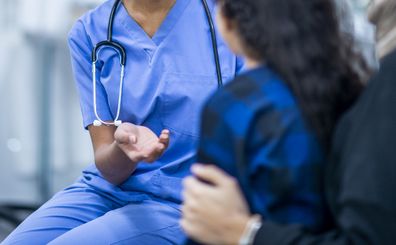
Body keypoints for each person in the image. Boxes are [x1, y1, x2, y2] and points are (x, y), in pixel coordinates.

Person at [3, 0, 243, 244]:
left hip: (188, 199)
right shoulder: (90, 31)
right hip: (108, 190)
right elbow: (109, 168)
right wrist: (123, 148)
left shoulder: (228, 18)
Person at [181, 0, 396, 244]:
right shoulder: (348, 90)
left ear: (227, 20)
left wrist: (246, 234)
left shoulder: (233, 105)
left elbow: (205, 225)